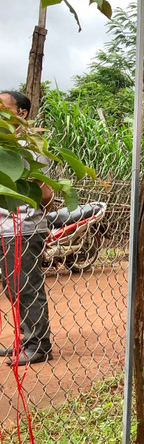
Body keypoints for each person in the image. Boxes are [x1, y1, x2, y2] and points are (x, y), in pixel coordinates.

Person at [0, 91, 54, 367]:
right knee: (12, 288)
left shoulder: (29, 145)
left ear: (21, 113)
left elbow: (44, 193)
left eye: (3, 106)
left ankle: (38, 345)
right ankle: (24, 339)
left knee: (25, 286)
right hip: (4, 227)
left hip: (21, 226)